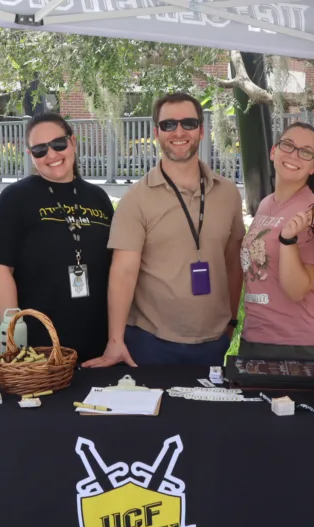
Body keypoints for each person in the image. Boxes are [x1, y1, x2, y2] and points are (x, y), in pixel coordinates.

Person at [84, 92, 245, 368]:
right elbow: (123, 273)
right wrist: (115, 340)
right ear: (156, 132)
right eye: (169, 124)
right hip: (151, 344)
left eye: (188, 123)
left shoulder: (228, 194)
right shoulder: (136, 199)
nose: (179, 131)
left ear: (202, 130)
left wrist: (231, 322)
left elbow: (233, 262)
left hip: (214, 342)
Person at [0, 113, 115, 363]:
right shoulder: (14, 199)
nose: (51, 155)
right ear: (30, 154)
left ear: (73, 142)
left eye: (59, 144)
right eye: (40, 149)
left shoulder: (99, 198)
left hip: (99, 344)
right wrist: (15, 344)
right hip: (39, 349)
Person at [236, 122, 314, 361]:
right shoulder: (267, 203)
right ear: (273, 151)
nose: (294, 155)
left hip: (295, 345)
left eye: (305, 152)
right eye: (288, 145)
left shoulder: (312, 213)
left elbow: (297, 290)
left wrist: (288, 240)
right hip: (255, 337)